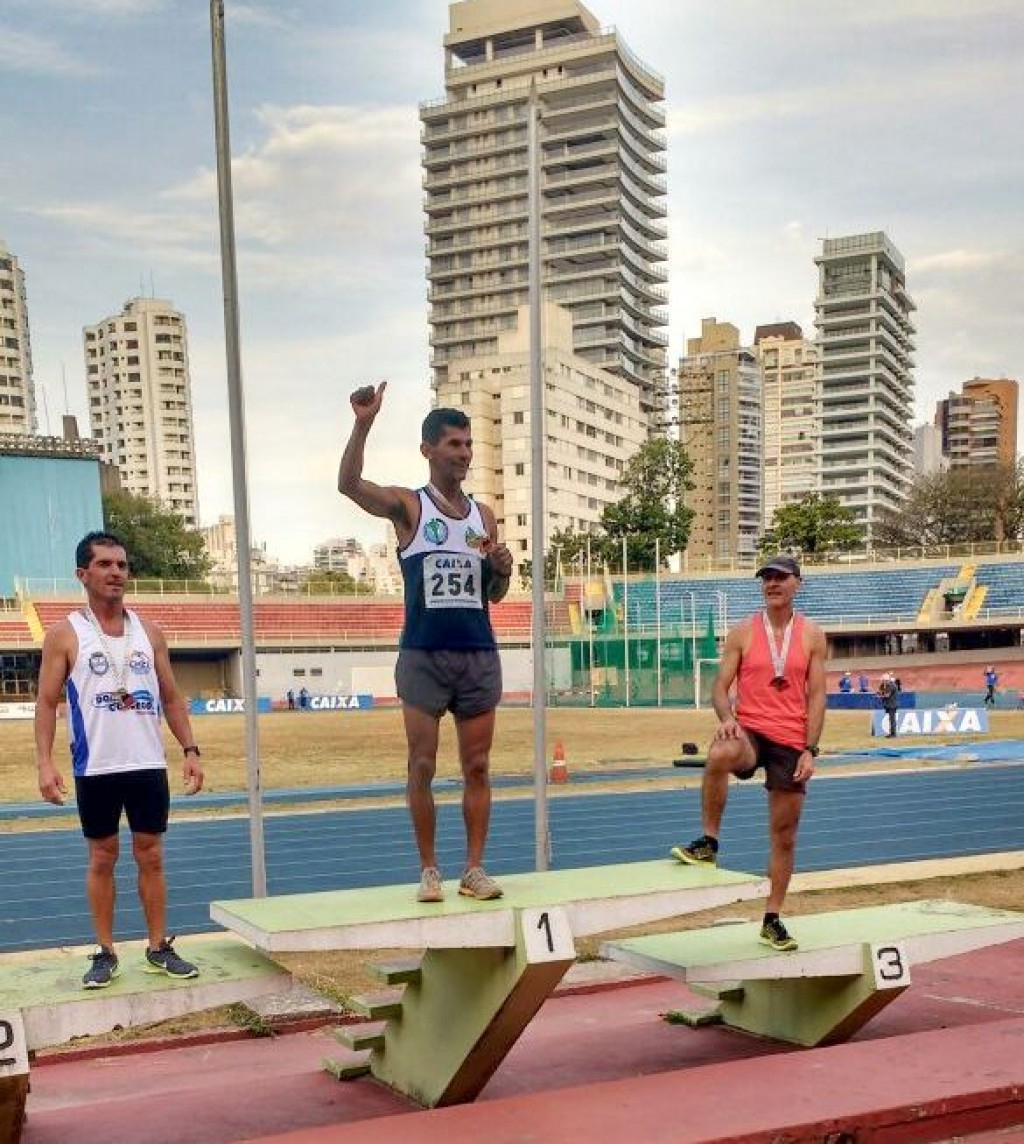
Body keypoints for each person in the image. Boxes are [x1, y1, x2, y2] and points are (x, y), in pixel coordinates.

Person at [338, 382, 514, 903]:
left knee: (477, 766)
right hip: (422, 656)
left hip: (478, 654)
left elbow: (495, 595)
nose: (464, 454)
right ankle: (429, 868)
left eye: (468, 446)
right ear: (429, 450)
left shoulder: (483, 517)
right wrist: (364, 422)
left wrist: (502, 571)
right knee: (422, 765)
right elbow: (349, 485)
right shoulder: (409, 508)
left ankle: (474, 869)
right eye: (454, 444)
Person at [35, 531, 204, 988]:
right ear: (82, 574)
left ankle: (157, 947)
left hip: (147, 762)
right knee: (102, 857)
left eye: (122, 565)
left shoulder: (148, 632)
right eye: (105, 564)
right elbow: (47, 702)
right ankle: (105, 952)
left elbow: (171, 697)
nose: (116, 573)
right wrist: (44, 763)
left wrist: (190, 750)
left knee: (151, 856)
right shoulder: (66, 634)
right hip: (96, 766)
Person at [670, 554, 827, 952]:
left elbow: (818, 695)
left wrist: (810, 749)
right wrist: (727, 717)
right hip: (750, 732)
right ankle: (709, 842)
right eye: (766, 579)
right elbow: (720, 688)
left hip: (790, 741)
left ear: (798, 583)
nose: (772, 584)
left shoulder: (812, 635)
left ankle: (772, 919)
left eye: (780, 578)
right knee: (720, 751)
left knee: (785, 837)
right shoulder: (743, 631)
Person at [878, 672, 900, 737]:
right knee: (891, 719)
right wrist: (881, 691)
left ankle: (893, 734)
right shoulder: (887, 685)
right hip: (890, 704)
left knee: (892, 719)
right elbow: (882, 691)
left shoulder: (891, 685)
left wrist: (880, 696)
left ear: (886, 680)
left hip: (892, 705)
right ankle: (892, 733)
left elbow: (887, 695)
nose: (883, 681)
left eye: (884, 680)